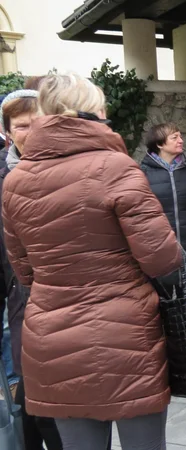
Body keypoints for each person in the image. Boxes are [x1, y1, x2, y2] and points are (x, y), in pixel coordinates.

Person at [2, 73, 183, 450]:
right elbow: (163, 258)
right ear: (92, 112)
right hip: (126, 334)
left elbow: (24, 271)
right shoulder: (115, 167)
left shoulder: (15, 182)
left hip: (51, 335)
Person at [0, 89, 65, 450]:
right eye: (22, 125)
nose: (31, 131)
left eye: (37, 123)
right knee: (33, 400)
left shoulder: (67, 169)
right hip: (22, 302)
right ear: (8, 131)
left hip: (69, 300)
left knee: (68, 405)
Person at [141, 123, 186, 296]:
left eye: (180, 136)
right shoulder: (143, 173)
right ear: (159, 144)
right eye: (174, 137)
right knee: (163, 308)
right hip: (160, 252)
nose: (181, 140)